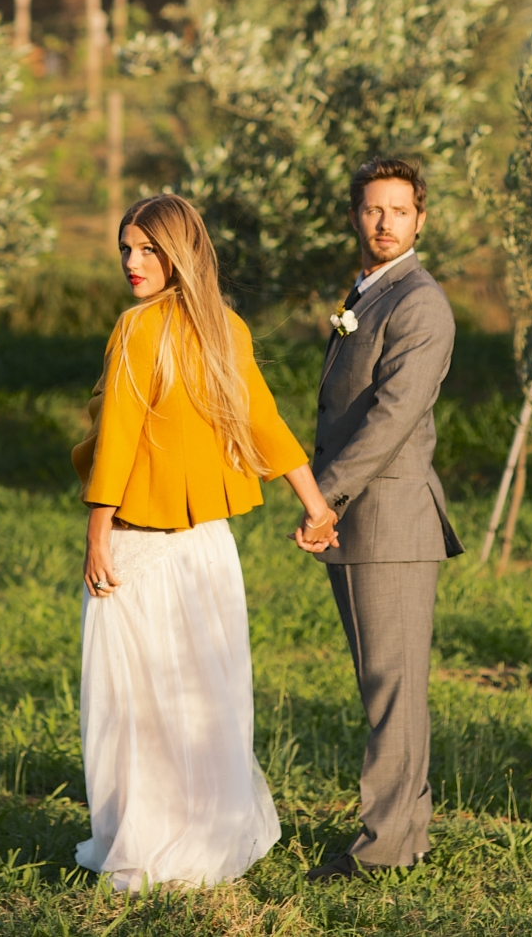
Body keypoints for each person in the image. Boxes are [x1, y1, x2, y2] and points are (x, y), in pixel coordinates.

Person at [71, 193, 340, 891]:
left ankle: (150, 846)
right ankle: (202, 839)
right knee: (203, 702)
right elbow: (267, 425)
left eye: (147, 249)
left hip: (141, 550)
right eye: (126, 247)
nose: (132, 262)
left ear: (178, 253)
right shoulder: (226, 327)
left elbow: (117, 442)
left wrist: (97, 534)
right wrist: (316, 506)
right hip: (208, 551)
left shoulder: (138, 331)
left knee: (134, 708)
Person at [305, 157, 462, 881]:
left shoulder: (420, 302)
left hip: (389, 519)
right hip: (364, 521)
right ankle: (405, 831)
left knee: (392, 688)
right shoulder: (367, 291)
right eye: (373, 209)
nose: (385, 222)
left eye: (399, 210)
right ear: (354, 215)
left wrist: (324, 494)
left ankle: (386, 848)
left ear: (421, 218)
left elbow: (393, 415)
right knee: (388, 684)